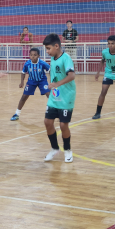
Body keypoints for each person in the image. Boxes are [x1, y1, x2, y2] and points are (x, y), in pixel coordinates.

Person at [42, 33, 76, 163]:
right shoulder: (53, 58)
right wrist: (51, 89)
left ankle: (67, 150)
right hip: (55, 97)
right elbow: (54, 76)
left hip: (67, 97)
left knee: (63, 125)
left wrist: (56, 84)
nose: (47, 51)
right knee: (47, 122)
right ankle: (54, 148)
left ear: (57, 46)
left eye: (49, 48)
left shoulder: (66, 58)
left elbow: (71, 76)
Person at [10, 48, 50, 121]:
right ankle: (17, 114)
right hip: (31, 81)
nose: (33, 56)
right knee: (24, 96)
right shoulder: (27, 64)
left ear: (38, 55)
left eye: (35, 55)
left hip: (42, 80)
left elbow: (50, 70)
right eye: (31, 55)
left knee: (49, 94)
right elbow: (23, 72)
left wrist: (52, 81)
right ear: (29, 55)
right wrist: (22, 82)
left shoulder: (42, 63)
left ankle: (55, 112)